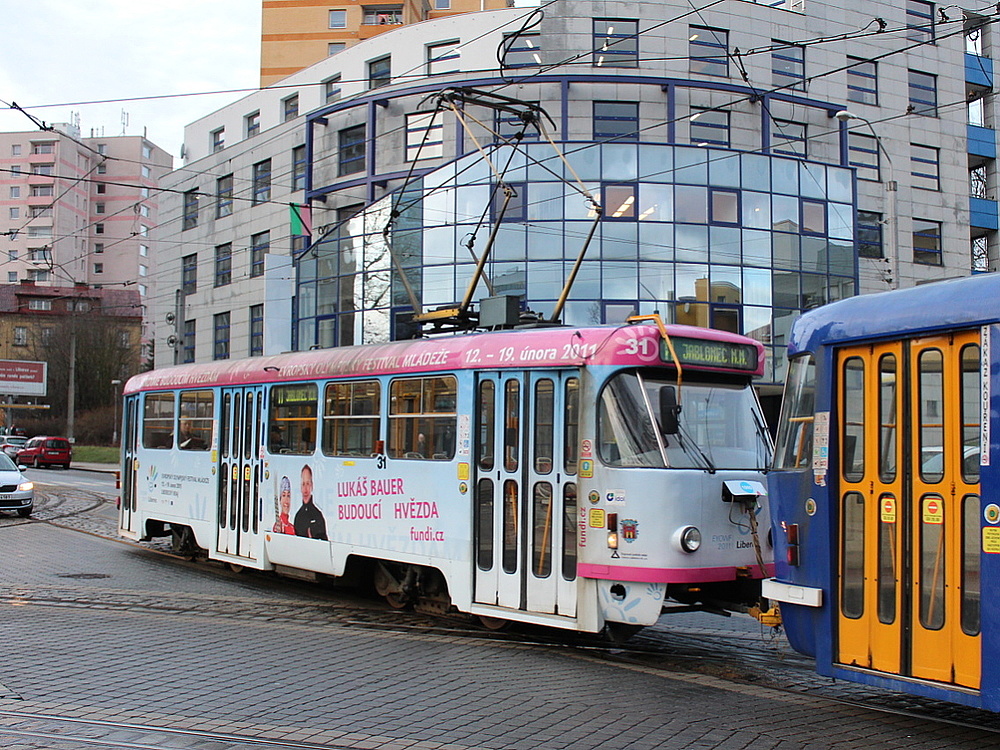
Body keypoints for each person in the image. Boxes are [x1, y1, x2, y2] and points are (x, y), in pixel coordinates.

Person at [293, 464, 328, 540]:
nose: (305, 488)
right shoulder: (298, 516)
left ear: (312, 486)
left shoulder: (317, 515)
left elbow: (324, 543)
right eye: (303, 484)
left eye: (308, 484)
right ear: (300, 487)